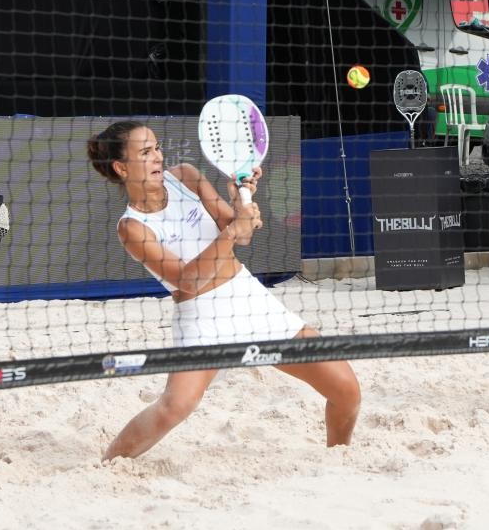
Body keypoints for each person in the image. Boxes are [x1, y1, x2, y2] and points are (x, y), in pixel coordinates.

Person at [87, 121, 360, 460]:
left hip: (246, 297)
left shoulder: (185, 176)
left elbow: (241, 233)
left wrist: (239, 201)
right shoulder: (131, 227)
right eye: (145, 152)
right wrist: (233, 232)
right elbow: (188, 280)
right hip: (200, 316)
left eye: (157, 147)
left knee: (346, 389)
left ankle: (339, 458)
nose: (157, 156)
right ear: (121, 167)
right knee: (174, 407)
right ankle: (109, 463)